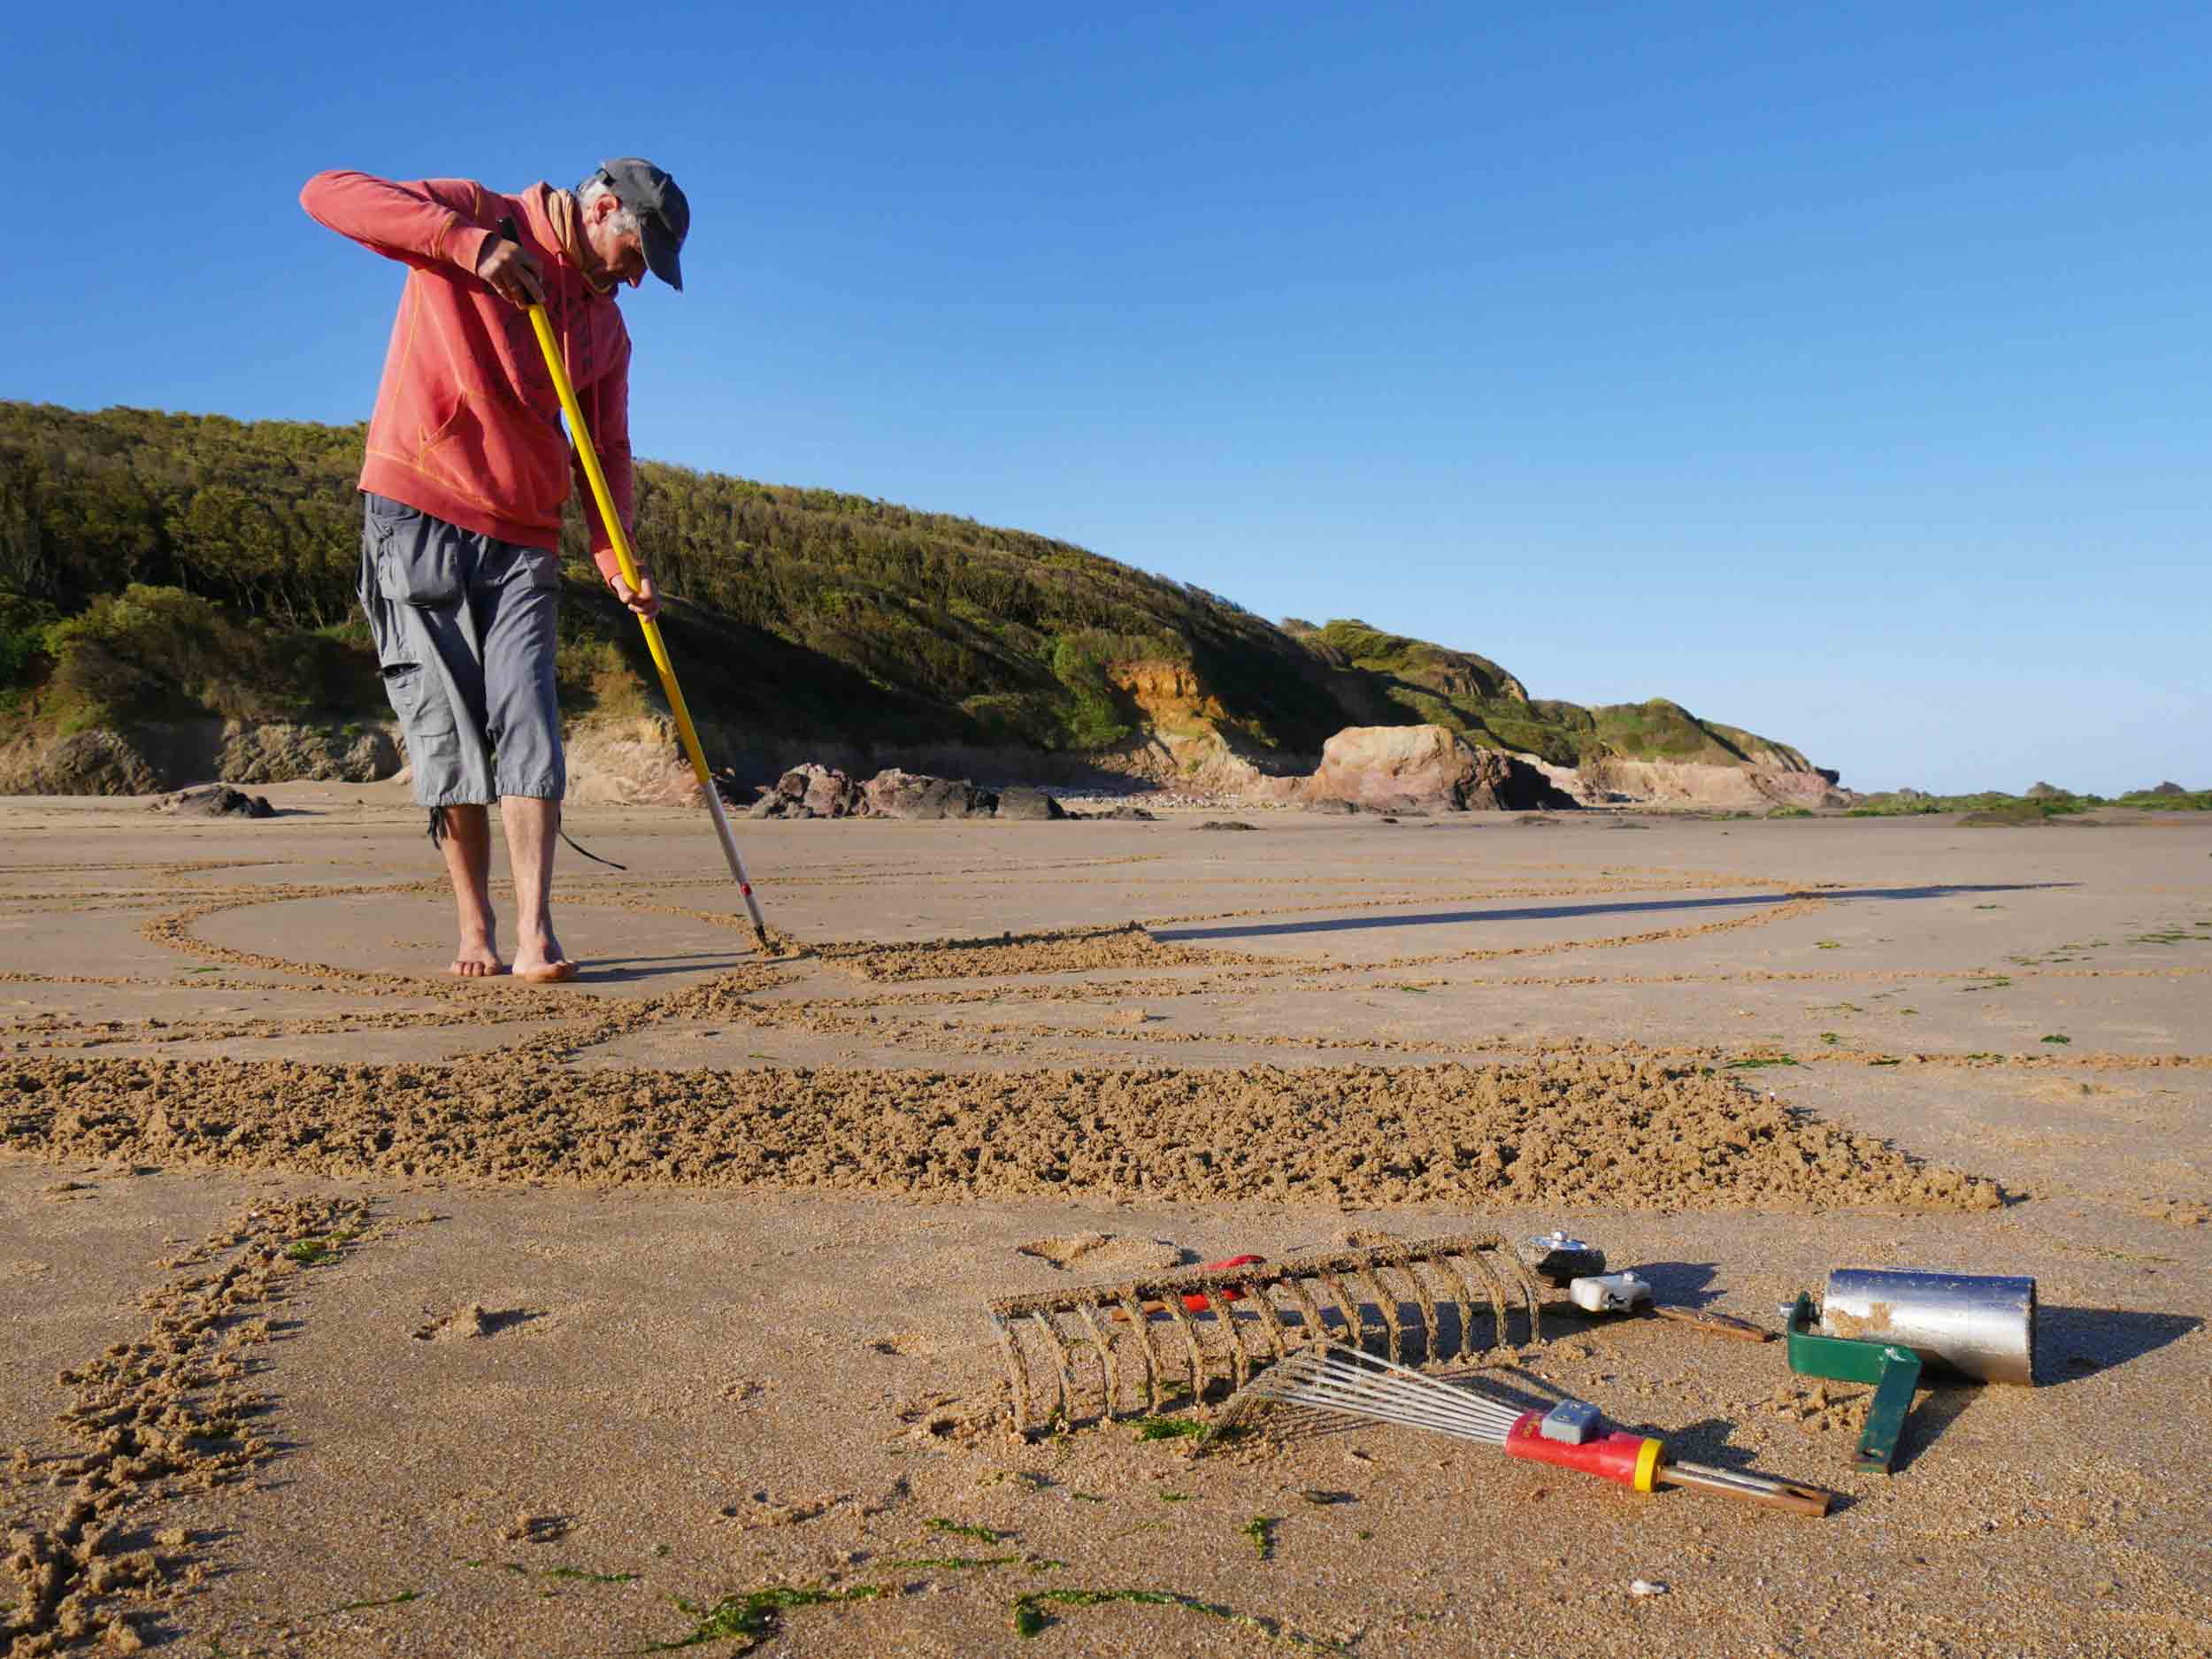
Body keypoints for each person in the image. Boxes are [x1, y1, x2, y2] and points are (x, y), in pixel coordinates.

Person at [301, 158, 688, 982]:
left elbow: (605, 450)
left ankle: (535, 933)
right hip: (418, 502)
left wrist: (617, 555)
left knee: (530, 718)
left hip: (526, 534)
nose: (638, 280)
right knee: (446, 725)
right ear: (603, 208)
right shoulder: (483, 214)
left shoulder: (608, 331)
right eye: (636, 255)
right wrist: (467, 247)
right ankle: (475, 928)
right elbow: (325, 193)